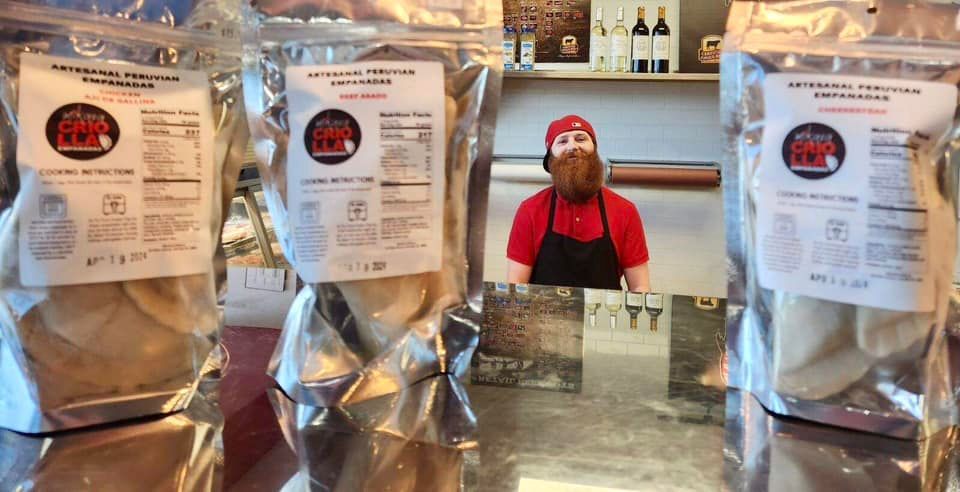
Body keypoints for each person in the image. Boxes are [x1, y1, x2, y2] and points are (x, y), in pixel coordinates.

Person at [506, 115, 650, 291]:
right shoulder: (530, 210)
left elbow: (640, 287)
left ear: (594, 150)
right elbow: (516, 288)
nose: (573, 146)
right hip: (545, 318)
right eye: (562, 141)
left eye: (581, 138)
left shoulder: (625, 211)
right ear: (550, 158)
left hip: (605, 316)